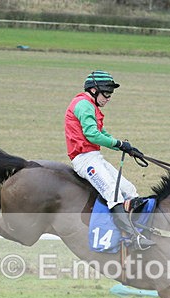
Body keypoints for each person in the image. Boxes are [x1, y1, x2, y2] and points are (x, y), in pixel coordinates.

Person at [65, 70, 155, 250]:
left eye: (110, 93)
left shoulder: (91, 105)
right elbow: (92, 135)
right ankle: (131, 237)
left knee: (129, 190)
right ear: (93, 90)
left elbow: (102, 133)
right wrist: (119, 143)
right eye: (106, 92)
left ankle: (139, 229)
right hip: (84, 159)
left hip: (94, 157)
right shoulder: (83, 104)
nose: (109, 97)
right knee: (113, 194)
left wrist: (125, 148)